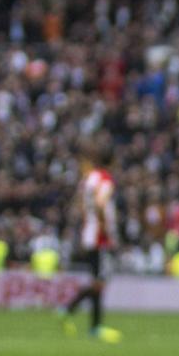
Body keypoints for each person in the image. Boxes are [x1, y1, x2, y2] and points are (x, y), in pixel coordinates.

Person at [60, 139, 122, 343]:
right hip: (99, 236)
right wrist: (105, 227)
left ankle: (90, 323)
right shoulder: (105, 179)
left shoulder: (88, 178)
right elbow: (100, 203)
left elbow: (80, 204)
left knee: (98, 280)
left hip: (88, 232)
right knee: (100, 282)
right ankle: (73, 310)